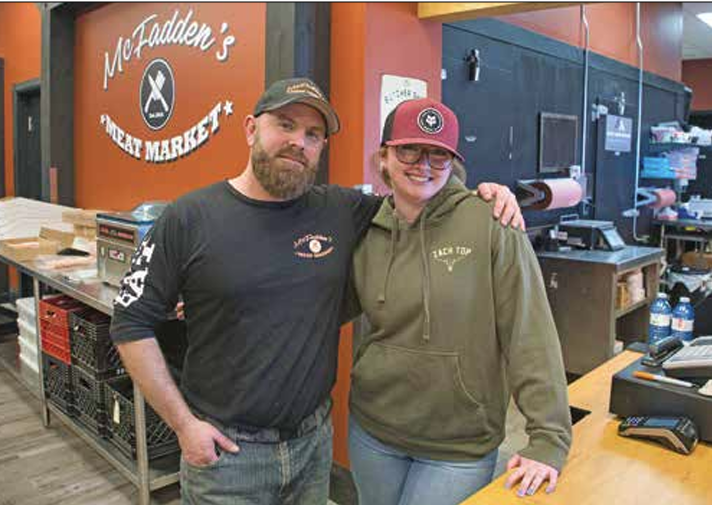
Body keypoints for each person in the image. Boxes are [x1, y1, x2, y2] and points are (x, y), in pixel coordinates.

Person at [109, 78, 523, 505]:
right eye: (285, 125)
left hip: (312, 447)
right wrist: (183, 425)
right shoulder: (188, 218)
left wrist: (483, 195)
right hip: (226, 458)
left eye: (313, 134)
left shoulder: (340, 211)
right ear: (251, 129)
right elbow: (129, 323)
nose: (298, 142)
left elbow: (417, 194)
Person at [345, 97, 572, 505]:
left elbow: (529, 331)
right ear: (384, 157)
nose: (424, 165)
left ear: (453, 162)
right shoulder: (365, 228)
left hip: (458, 444)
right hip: (373, 430)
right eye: (409, 150)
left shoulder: (493, 222)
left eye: (439, 154)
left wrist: (549, 437)